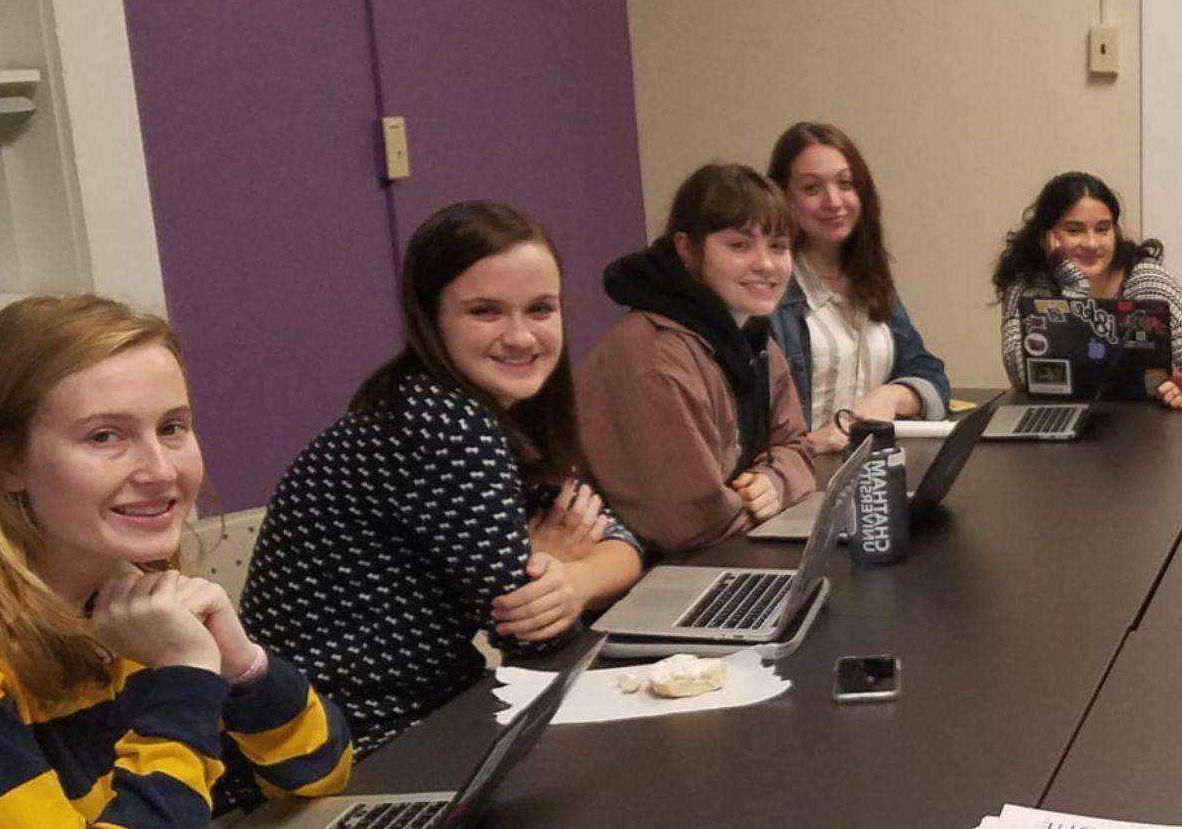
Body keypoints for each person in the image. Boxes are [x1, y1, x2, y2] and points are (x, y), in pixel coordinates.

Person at [0, 296, 352, 829]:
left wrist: (240, 665)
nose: (160, 469)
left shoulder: (125, 604)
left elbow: (318, 771)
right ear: (6, 463)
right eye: (105, 437)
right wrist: (182, 685)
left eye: (173, 428)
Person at [240, 201, 642, 757]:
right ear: (429, 318)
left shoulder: (497, 409)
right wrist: (548, 572)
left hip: (425, 714)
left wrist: (574, 581)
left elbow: (620, 541)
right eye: (486, 312)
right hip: (353, 747)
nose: (521, 336)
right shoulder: (439, 419)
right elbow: (531, 630)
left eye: (541, 309)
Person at [575, 163, 815, 553]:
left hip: (711, 556)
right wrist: (762, 499)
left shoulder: (752, 337)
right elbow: (691, 524)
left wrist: (775, 482)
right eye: (739, 245)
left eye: (778, 246)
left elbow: (798, 447)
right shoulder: (654, 356)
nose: (766, 264)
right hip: (642, 584)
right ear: (686, 249)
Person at [766, 122, 950, 452]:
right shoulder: (770, 294)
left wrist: (892, 395)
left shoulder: (869, 279)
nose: (833, 201)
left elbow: (930, 372)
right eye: (811, 188)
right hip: (804, 483)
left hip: (872, 472)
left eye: (845, 184)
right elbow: (743, 428)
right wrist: (805, 447)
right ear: (784, 199)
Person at [992, 171, 1182, 410]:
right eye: (1074, 230)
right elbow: (1024, 377)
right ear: (1046, 237)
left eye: (1103, 229)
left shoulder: (1147, 279)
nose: (1092, 243)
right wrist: (1074, 289)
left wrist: (1177, 386)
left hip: (1146, 421)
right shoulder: (1028, 288)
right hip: (1057, 418)